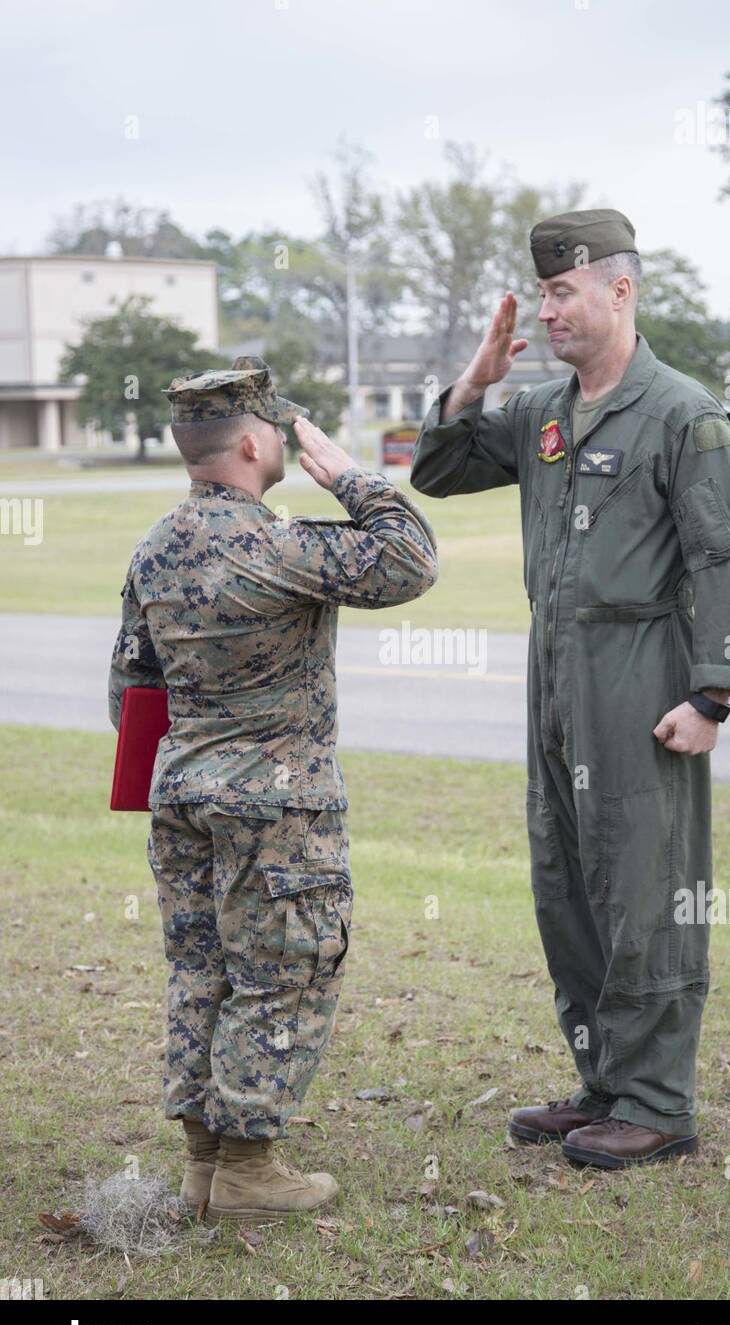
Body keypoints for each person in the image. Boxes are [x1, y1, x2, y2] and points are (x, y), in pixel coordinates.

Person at [411, 211, 730, 1169]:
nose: (547, 309)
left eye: (562, 291)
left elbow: (727, 555)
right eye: (541, 295)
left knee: (645, 882)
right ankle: (603, 1083)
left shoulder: (680, 413)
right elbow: (438, 469)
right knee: (566, 878)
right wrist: (480, 374)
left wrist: (711, 694)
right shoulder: (544, 412)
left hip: (640, 669)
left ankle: (657, 1102)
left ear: (620, 289)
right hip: (555, 667)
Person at [109, 355, 437, 1221]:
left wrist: (194, 754)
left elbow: (129, 693)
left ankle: (203, 1165)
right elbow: (408, 561)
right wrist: (350, 477)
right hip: (276, 803)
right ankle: (250, 1171)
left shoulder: (156, 546)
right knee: (283, 971)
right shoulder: (276, 545)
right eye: (279, 430)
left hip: (181, 796)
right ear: (254, 443)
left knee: (200, 968)